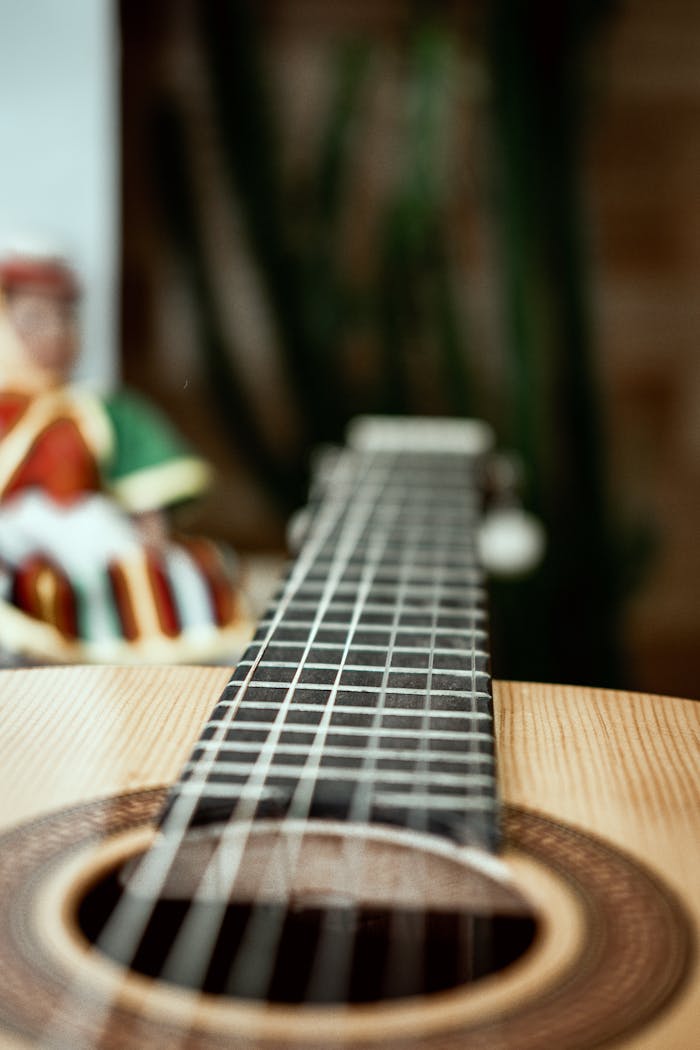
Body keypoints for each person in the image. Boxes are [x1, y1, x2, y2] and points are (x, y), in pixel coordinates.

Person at [0, 246, 250, 663]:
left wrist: (150, 523)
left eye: (65, 318)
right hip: (12, 530)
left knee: (175, 568)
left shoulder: (96, 406)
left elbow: (144, 462)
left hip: (83, 524)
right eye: (34, 321)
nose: (55, 334)